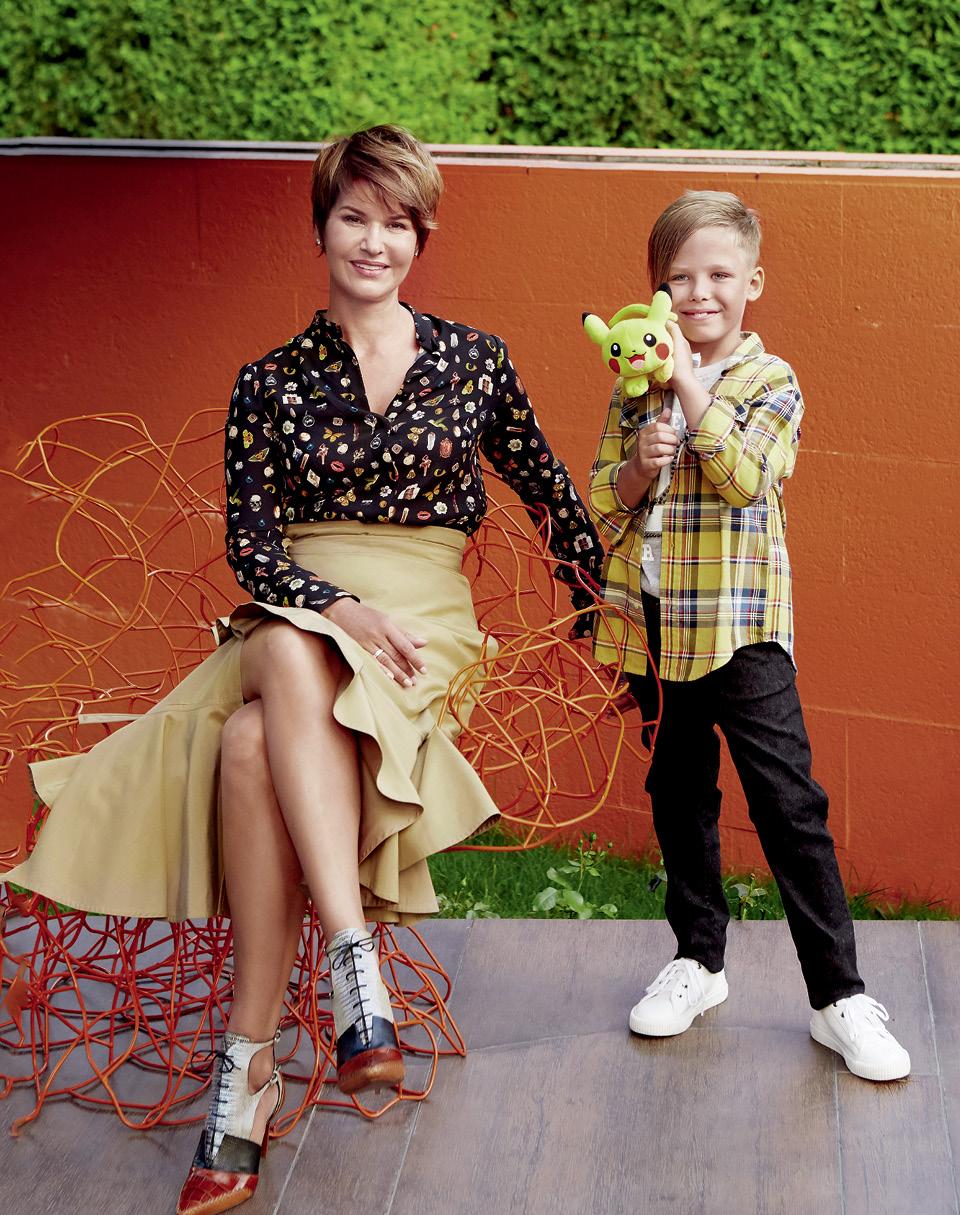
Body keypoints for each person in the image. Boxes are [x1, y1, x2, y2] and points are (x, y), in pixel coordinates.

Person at [4, 125, 602, 1213]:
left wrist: (611, 610)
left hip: (421, 627)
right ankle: (352, 967)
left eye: (397, 223)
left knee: (250, 747)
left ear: (421, 237)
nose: (374, 241)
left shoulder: (475, 361)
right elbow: (252, 547)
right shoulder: (269, 381)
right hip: (305, 609)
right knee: (280, 647)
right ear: (321, 228)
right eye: (354, 217)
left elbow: (548, 488)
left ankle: (245, 1081)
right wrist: (339, 608)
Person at [587, 190, 910, 1083]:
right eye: (680, 278)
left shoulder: (772, 381)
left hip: (740, 626)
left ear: (752, 282)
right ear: (656, 290)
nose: (699, 293)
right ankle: (699, 959)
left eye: (719, 275)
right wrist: (635, 469)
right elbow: (602, 501)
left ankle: (838, 996)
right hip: (656, 624)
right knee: (678, 789)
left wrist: (690, 388)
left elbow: (746, 477)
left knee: (788, 803)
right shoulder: (632, 384)